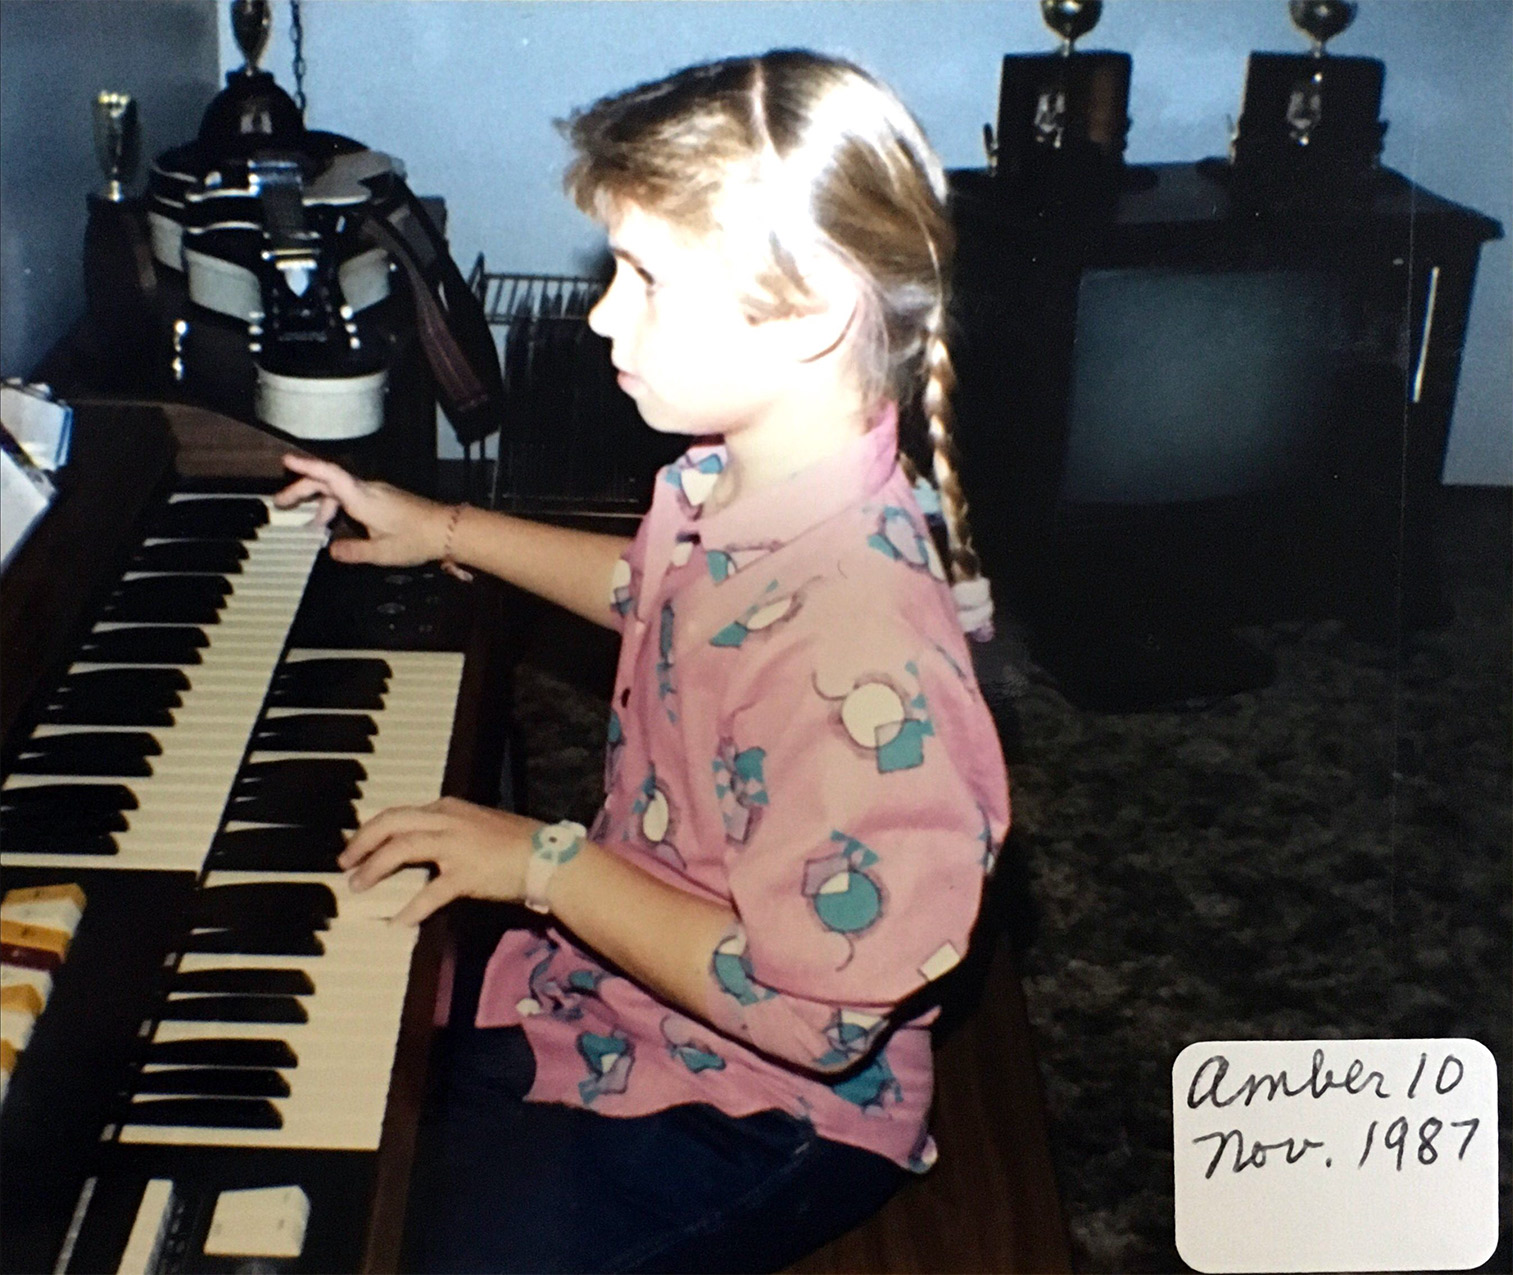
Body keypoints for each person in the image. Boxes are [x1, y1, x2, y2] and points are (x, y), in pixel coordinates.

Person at [275, 49, 1010, 1274]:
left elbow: (816, 1022)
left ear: (810, 312)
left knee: (386, 1237)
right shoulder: (729, 480)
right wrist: (443, 526)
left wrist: (539, 863)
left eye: (645, 278)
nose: (602, 312)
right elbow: (659, 597)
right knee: (340, 1075)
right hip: (628, 993)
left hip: (768, 1110)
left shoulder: (864, 648)